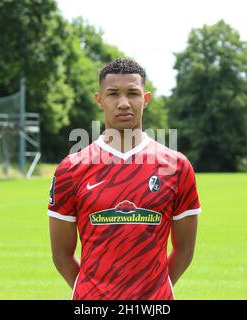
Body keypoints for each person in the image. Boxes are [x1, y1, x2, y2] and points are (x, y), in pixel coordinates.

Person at [48, 58, 202, 300]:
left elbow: (185, 249)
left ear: (146, 99)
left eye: (132, 93)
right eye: (113, 94)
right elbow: (61, 254)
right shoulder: (71, 169)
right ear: (99, 99)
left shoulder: (177, 166)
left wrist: (156, 290)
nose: (123, 103)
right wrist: (91, 291)